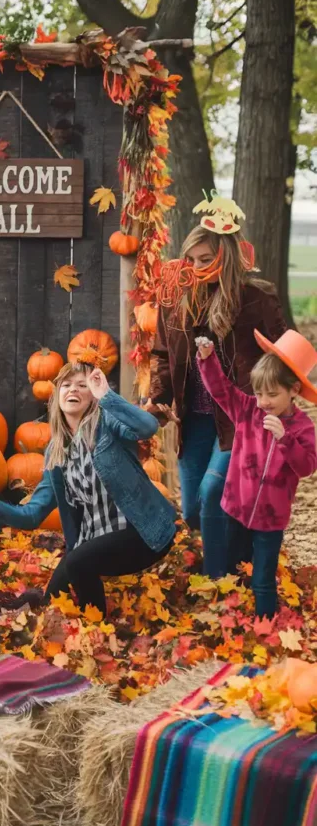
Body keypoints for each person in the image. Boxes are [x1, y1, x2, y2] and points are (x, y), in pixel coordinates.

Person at [0, 362, 177, 617]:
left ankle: (95, 627)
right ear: (56, 395)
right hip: (94, 542)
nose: (73, 389)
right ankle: (33, 615)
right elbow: (32, 515)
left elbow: (148, 426)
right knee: (52, 600)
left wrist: (107, 394)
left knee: (77, 561)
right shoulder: (56, 452)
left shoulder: (108, 424)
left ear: (92, 396)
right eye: (66, 385)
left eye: (82, 385)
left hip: (143, 534)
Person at [146, 195, 287, 579]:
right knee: (192, 509)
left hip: (240, 419)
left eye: (205, 260)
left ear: (225, 256)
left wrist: (272, 400)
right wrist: (158, 397)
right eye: (191, 259)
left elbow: (283, 353)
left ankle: (218, 581)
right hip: (195, 418)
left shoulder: (256, 299)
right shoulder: (175, 299)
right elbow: (161, 353)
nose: (195, 267)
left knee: (213, 496)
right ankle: (243, 559)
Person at [197, 330, 317, 619]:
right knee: (232, 567)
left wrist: (285, 439)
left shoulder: (302, 428)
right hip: (235, 508)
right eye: (259, 392)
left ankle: (264, 626)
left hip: (270, 519)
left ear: (293, 391)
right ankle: (230, 620)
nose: (263, 401)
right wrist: (207, 359)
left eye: (272, 394)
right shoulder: (248, 409)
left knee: (262, 578)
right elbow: (221, 390)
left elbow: (307, 466)